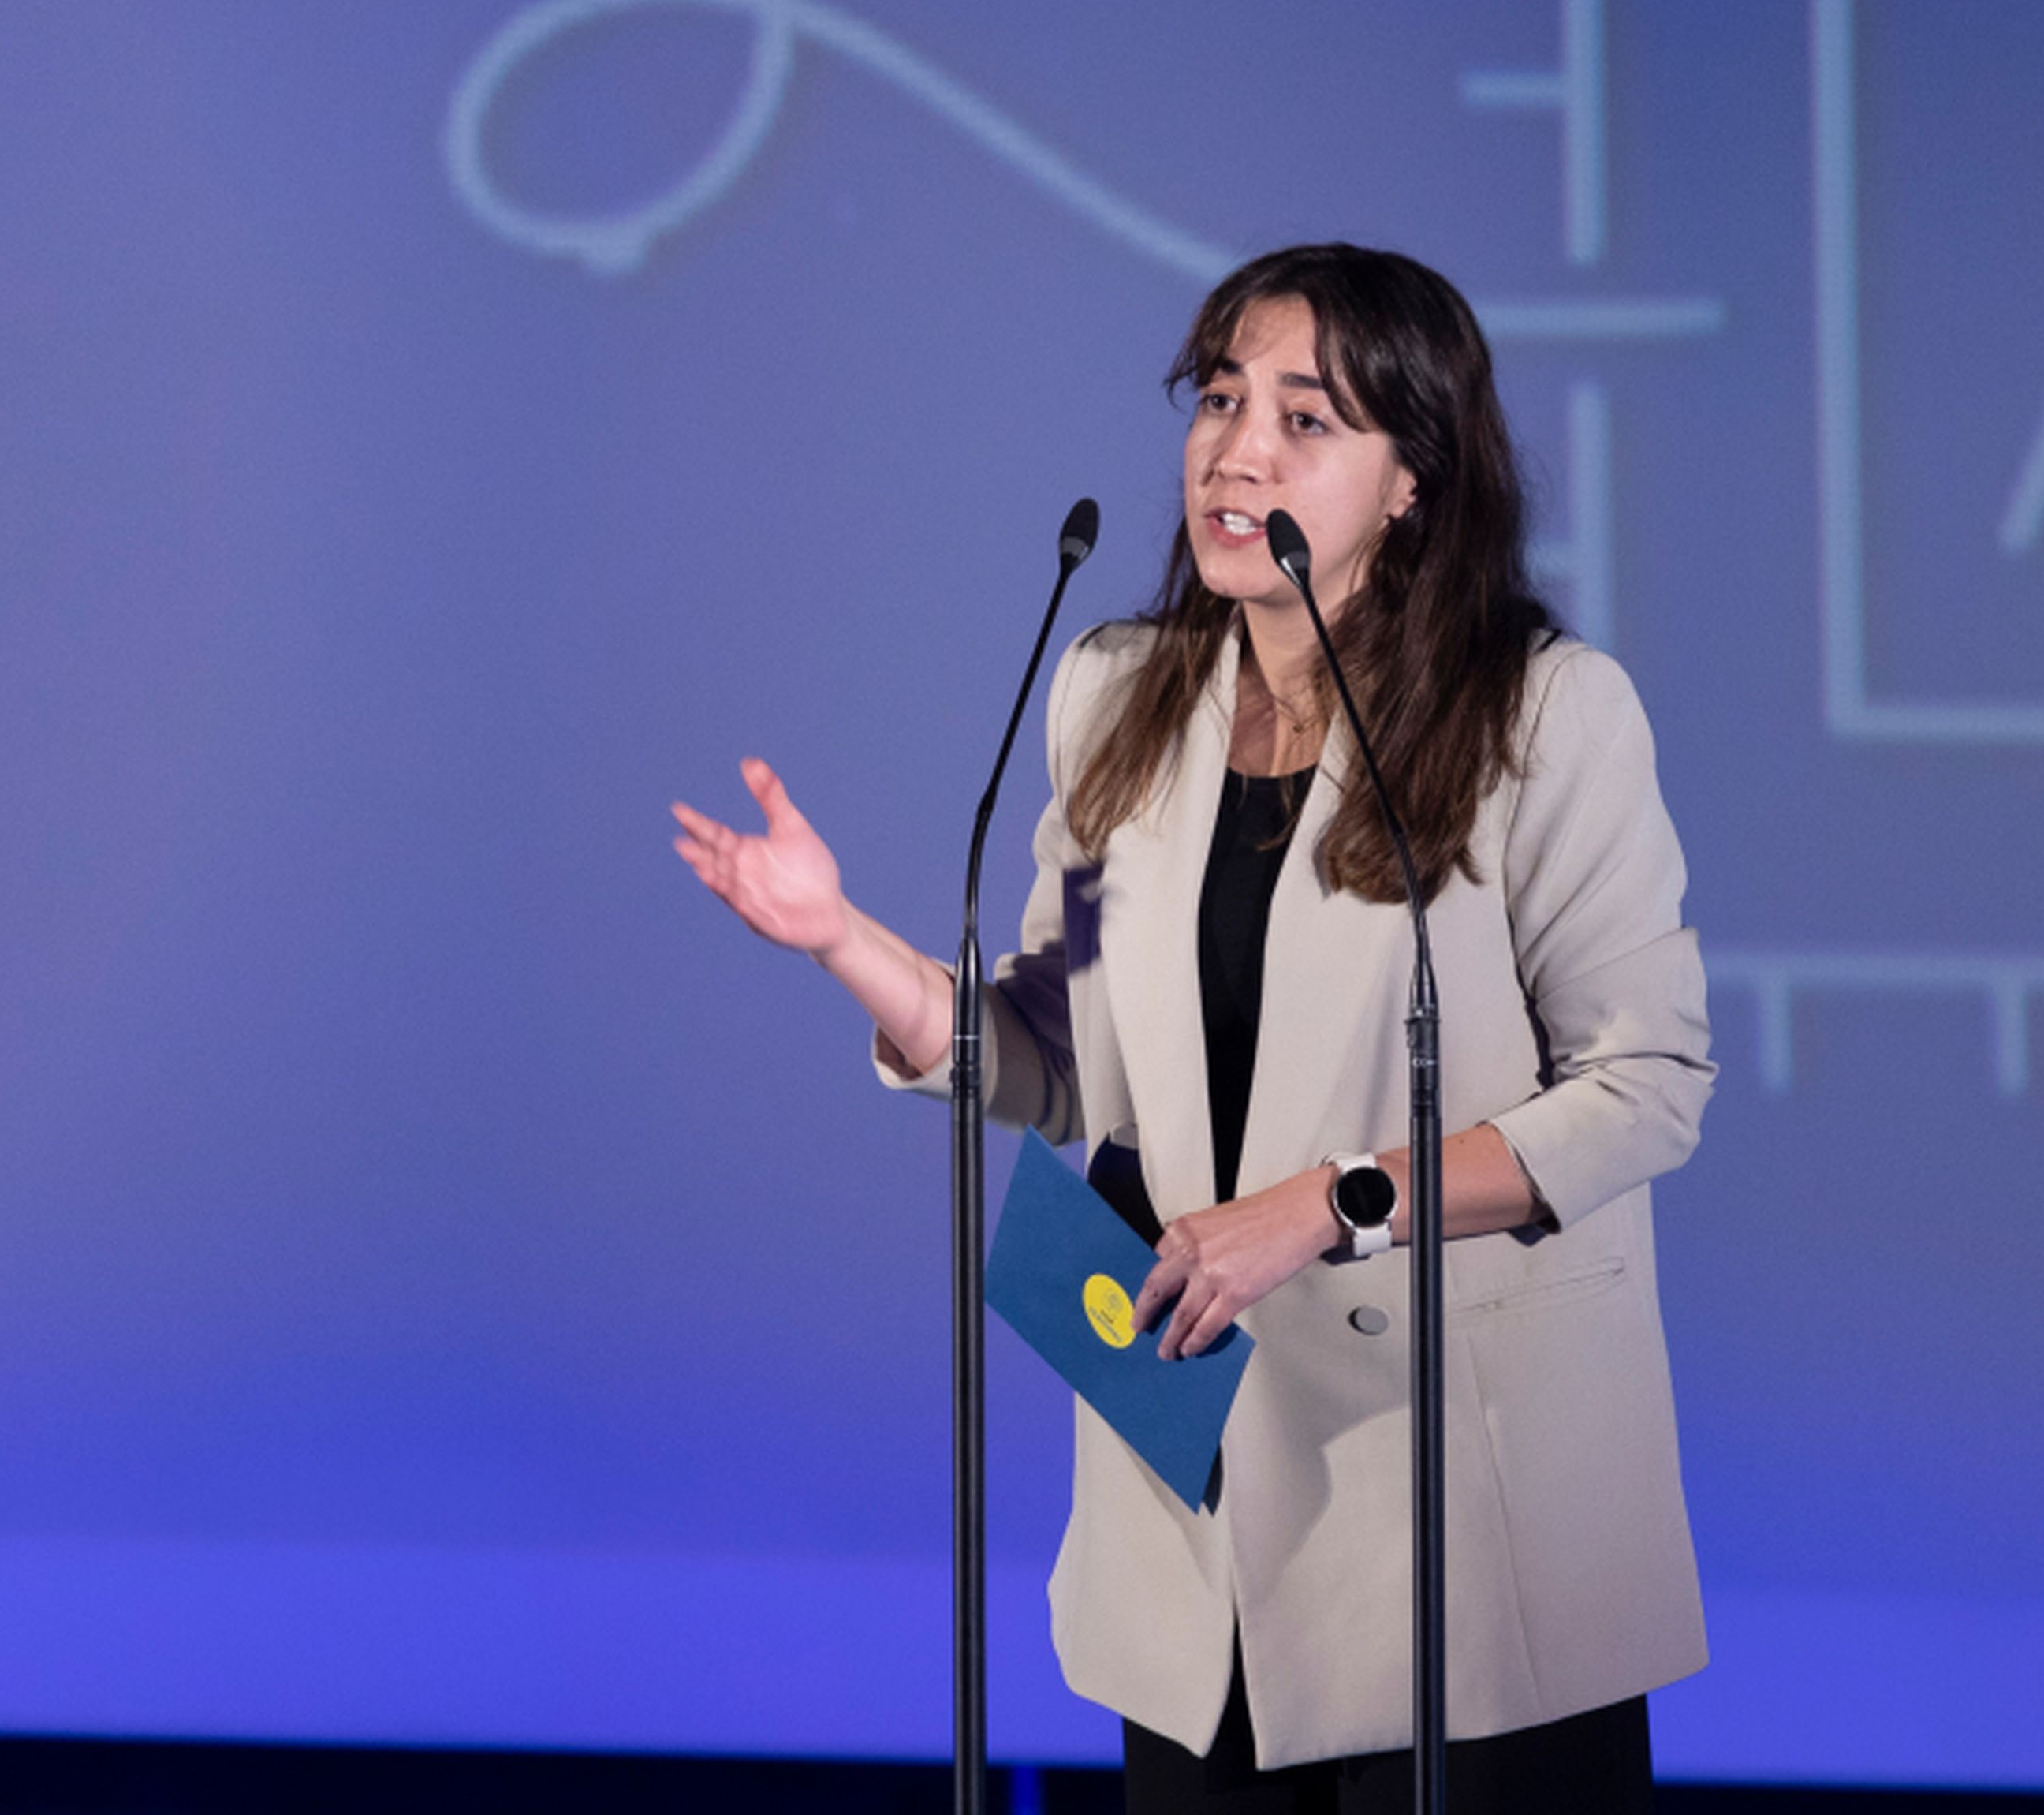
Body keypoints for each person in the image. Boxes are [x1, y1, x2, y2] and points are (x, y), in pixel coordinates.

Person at [673, 243, 1713, 1813]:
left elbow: (1646, 1085)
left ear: (1413, 478)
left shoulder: (1546, 717)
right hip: (1205, 1504)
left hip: (1461, 1531)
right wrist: (844, 941)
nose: (1236, 450)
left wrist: (1328, 1203)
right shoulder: (1119, 703)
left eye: (1305, 417)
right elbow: (1057, 1036)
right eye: (1222, 399)